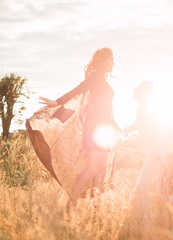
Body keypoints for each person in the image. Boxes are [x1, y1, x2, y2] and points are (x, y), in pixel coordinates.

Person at [39, 47, 120, 202]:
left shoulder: (102, 80)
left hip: (104, 130)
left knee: (100, 170)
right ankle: (70, 206)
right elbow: (77, 90)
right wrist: (56, 102)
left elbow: (106, 108)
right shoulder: (95, 78)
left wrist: (115, 125)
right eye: (111, 60)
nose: (114, 63)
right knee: (93, 169)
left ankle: (96, 211)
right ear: (104, 61)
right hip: (95, 129)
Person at [122, 81, 173, 223]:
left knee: (164, 195)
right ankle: (146, 219)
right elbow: (141, 123)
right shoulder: (143, 108)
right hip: (153, 156)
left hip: (163, 154)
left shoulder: (147, 109)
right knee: (141, 189)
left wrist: (127, 129)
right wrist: (127, 129)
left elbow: (144, 124)